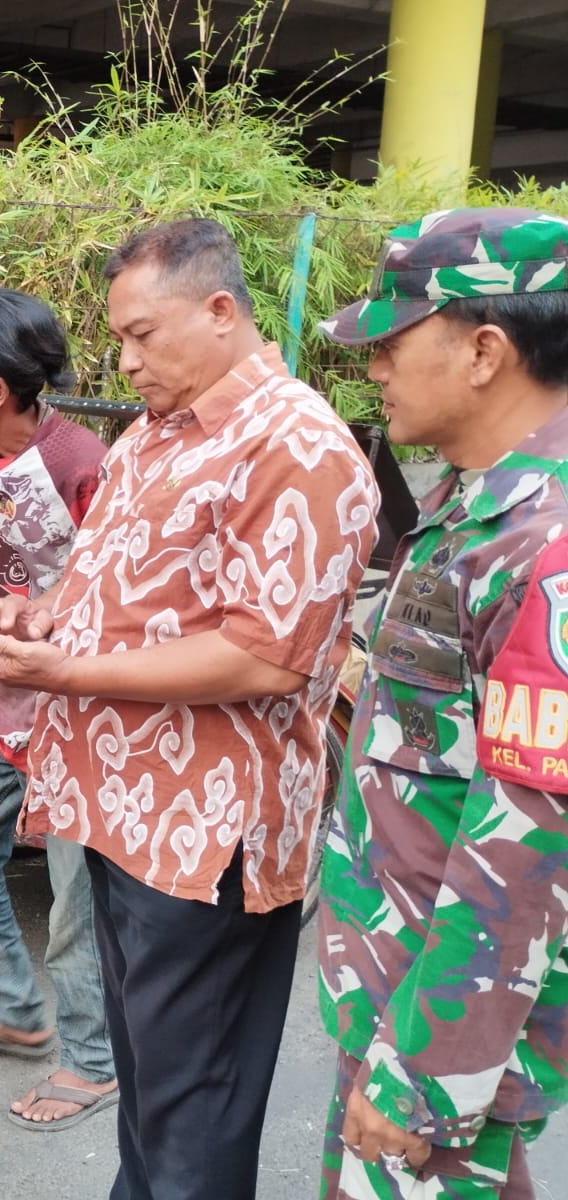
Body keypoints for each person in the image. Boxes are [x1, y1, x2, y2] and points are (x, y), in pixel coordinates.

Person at [0, 218, 378, 1199]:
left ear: (220, 311)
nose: (123, 359)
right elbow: (121, 596)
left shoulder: (297, 448)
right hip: (123, 817)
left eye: (144, 334)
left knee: (193, 1117)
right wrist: (32, 618)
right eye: (119, 336)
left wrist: (65, 676)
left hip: (205, 842)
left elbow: (264, 656)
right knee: (150, 1098)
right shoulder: (156, 431)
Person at [314, 207, 568, 1200]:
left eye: (391, 338)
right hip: (402, 993)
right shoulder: (479, 501)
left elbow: (530, 849)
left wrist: (423, 1080)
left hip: (440, 1030)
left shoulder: (545, 547)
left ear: (484, 351)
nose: (370, 363)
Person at [0, 287, 117, 1131]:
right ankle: (18, 1010)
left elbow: (120, 598)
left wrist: (47, 630)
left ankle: (95, 1064)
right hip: (6, 698)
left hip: (79, 711)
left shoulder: (84, 464)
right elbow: (12, 558)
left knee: (75, 906)